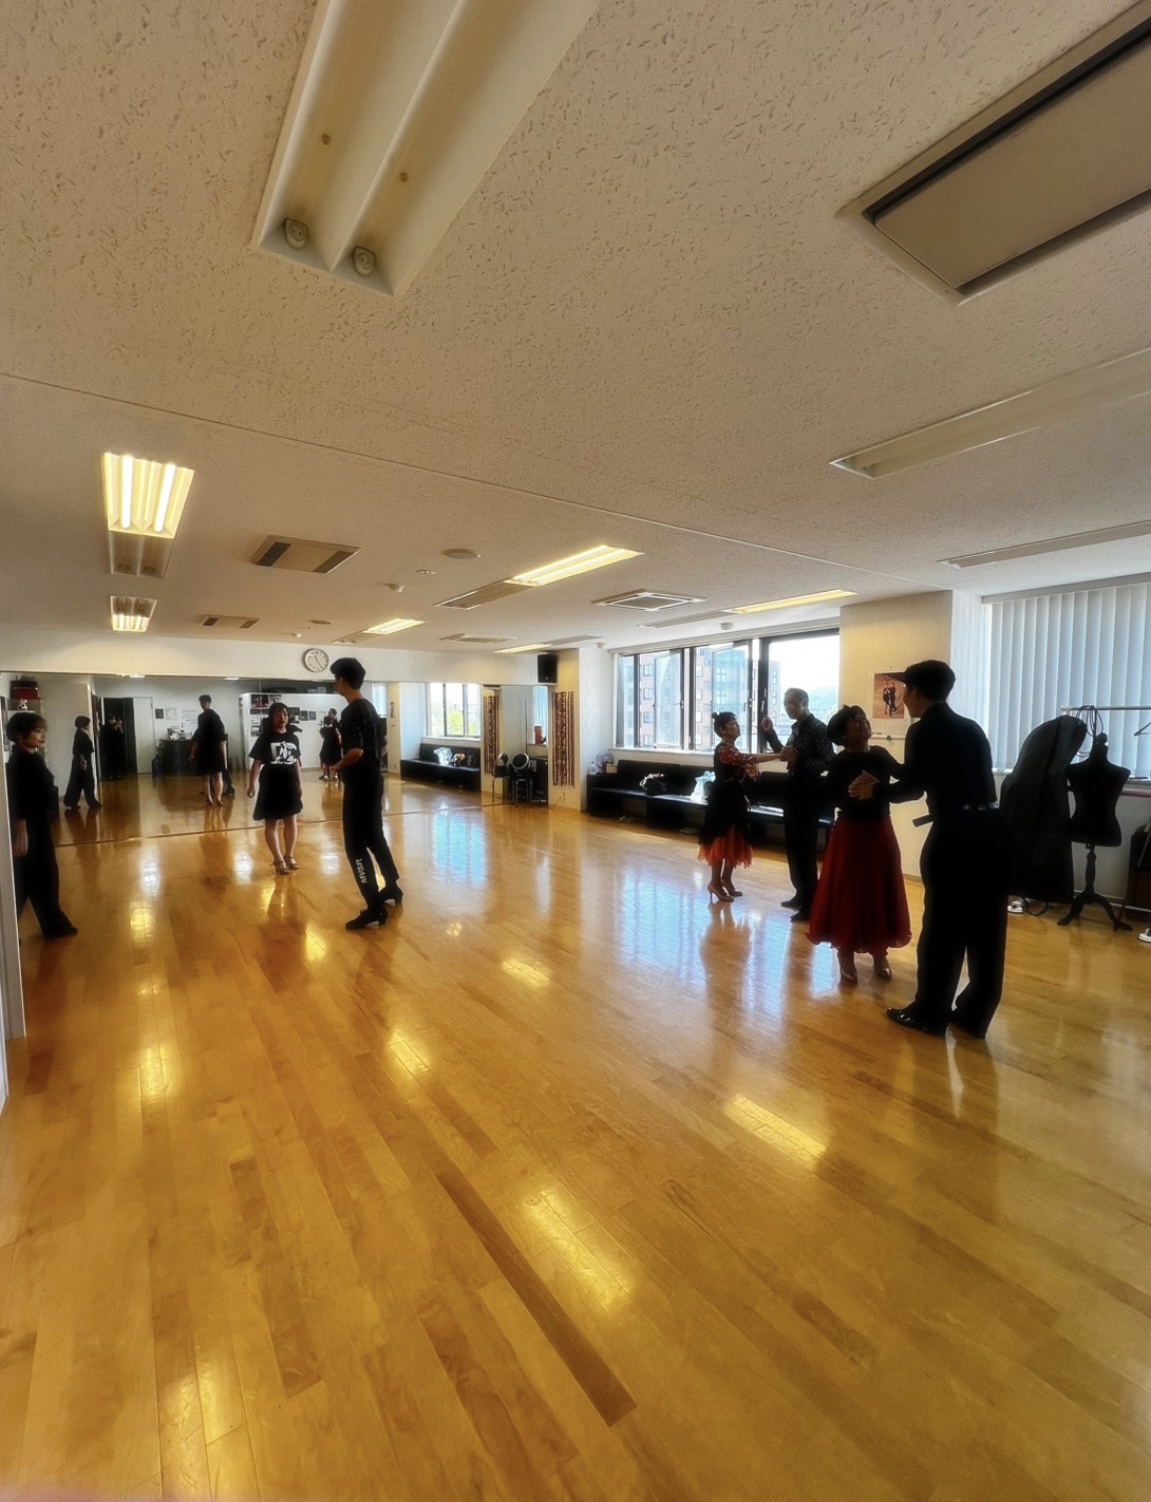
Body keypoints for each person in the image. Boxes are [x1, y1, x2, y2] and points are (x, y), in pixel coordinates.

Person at [848, 659, 1009, 1039]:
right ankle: (973, 1015)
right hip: (993, 832)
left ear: (916, 691)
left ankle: (930, 1013)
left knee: (942, 928)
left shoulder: (923, 729)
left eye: (906, 690)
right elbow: (928, 772)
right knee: (986, 929)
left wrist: (876, 789)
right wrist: (885, 768)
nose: (903, 697)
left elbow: (912, 788)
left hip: (956, 837)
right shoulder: (971, 728)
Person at [807, 706, 910, 984]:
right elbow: (830, 797)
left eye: (863, 718)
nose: (862, 722)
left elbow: (904, 774)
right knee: (849, 892)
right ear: (843, 735)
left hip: (880, 829)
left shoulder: (880, 754)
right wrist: (853, 791)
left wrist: (878, 788)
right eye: (855, 721)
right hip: (851, 831)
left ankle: (879, 950)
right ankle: (846, 951)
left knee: (880, 888)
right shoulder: (840, 762)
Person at [330, 657, 402, 929]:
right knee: (374, 836)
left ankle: (373, 906)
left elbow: (356, 751)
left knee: (355, 846)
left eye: (336, 679)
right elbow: (382, 746)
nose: (335, 683)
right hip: (374, 781)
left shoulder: (350, 712)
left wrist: (338, 764)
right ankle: (392, 886)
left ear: (343, 680)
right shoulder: (370, 708)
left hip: (359, 785)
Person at [761, 687, 834, 921]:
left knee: (805, 848)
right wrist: (770, 734)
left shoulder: (819, 728)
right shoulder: (796, 728)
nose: (788, 707)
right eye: (785, 704)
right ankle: (801, 893)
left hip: (809, 794)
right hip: (792, 792)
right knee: (792, 846)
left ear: (805, 702)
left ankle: (812, 902)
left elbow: (828, 762)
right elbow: (785, 754)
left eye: (792, 703)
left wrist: (800, 759)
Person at [5, 711, 77, 938]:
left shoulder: (32, 758)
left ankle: (51, 924)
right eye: (37, 731)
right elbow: (18, 797)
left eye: (43, 731)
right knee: (29, 879)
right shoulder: (19, 763)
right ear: (19, 735)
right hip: (28, 828)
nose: (42, 735)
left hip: (37, 824)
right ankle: (9, 935)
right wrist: (21, 829)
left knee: (39, 877)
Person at [697, 711, 778, 901]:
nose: (737, 726)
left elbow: (738, 775)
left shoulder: (731, 749)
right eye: (733, 723)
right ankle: (715, 882)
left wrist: (742, 796)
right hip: (723, 801)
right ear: (722, 730)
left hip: (734, 798)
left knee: (736, 837)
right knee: (722, 839)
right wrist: (778, 755)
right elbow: (747, 759)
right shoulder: (724, 750)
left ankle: (726, 878)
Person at [246, 702, 303, 874]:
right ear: (271, 717)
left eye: (285, 714)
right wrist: (251, 784)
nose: (282, 717)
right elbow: (257, 763)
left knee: (291, 820)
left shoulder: (293, 738)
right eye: (278, 714)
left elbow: (295, 762)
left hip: (289, 782)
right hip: (271, 782)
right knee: (272, 822)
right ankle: (278, 859)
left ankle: (289, 855)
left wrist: (299, 782)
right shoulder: (265, 738)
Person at [189, 694, 228, 805]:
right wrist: (224, 759)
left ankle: (209, 799)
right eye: (201, 702)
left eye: (203, 702)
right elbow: (222, 740)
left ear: (208, 703)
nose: (202, 704)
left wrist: (192, 754)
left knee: (206, 778)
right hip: (215, 751)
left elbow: (197, 738)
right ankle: (218, 798)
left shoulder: (201, 718)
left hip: (204, 751)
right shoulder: (216, 717)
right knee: (218, 777)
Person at [62, 714, 101, 810]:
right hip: (83, 762)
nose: (88, 725)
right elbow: (77, 751)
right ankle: (90, 802)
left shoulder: (80, 734)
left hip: (81, 762)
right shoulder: (80, 735)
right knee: (87, 782)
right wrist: (83, 762)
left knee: (77, 783)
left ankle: (71, 802)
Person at [319, 710, 342, 782]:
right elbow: (323, 732)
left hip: (334, 744)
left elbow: (339, 733)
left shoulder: (337, 724)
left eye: (330, 713)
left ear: (334, 714)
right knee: (325, 757)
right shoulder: (328, 723)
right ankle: (326, 775)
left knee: (335, 758)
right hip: (329, 743)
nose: (328, 714)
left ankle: (335, 775)